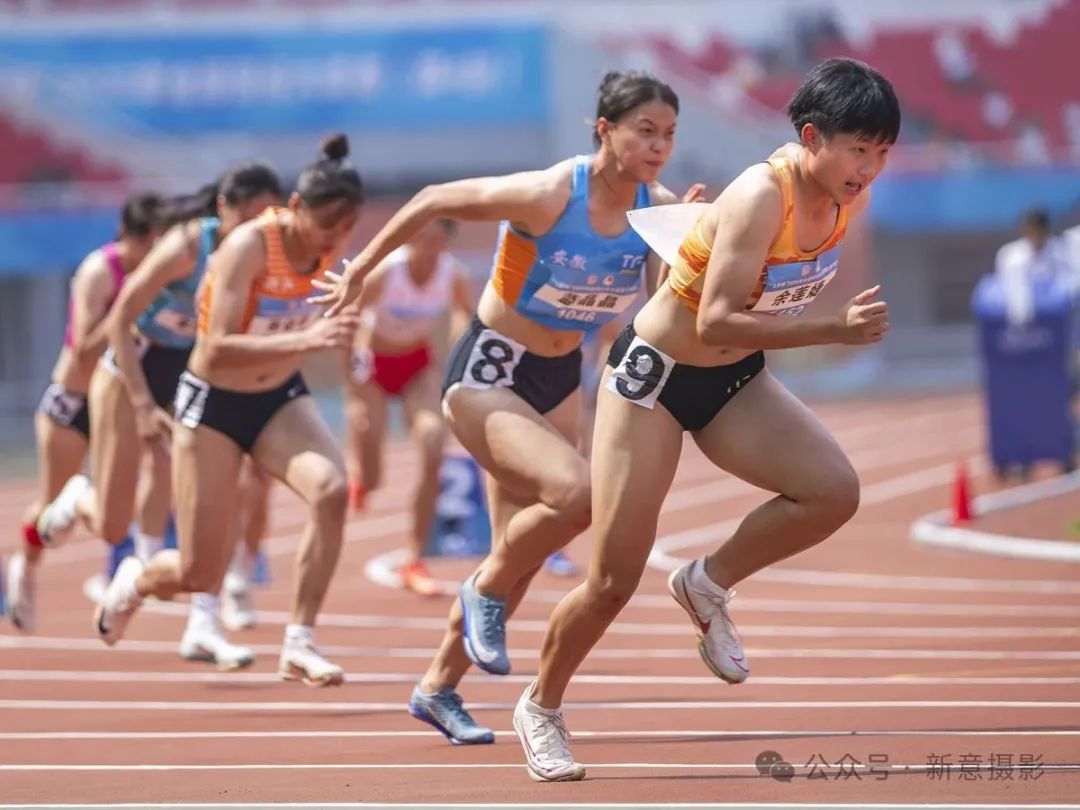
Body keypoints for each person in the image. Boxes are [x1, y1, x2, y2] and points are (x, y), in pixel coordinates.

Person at [514, 57, 901, 782]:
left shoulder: (844, 198)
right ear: (811, 137)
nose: (869, 168)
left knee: (832, 491)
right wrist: (834, 330)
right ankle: (541, 705)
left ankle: (705, 582)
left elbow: (743, 295)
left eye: (881, 152)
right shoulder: (762, 193)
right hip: (653, 381)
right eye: (858, 149)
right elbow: (716, 316)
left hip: (732, 378)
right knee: (612, 581)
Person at [312, 70, 700, 742]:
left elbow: (661, 310)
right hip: (490, 373)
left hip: (559, 380)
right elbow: (433, 199)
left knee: (519, 553)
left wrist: (682, 248)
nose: (659, 147)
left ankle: (438, 687)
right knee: (575, 498)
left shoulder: (656, 210)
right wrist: (362, 269)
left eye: (668, 134)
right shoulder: (549, 193)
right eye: (644, 131)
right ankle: (482, 590)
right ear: (604, 130)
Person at [92, 134, 364, 687]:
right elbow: (214, 347)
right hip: (212, 404)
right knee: (200, 572)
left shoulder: (334, 253)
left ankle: (300, 642)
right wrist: (307, 338)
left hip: (277, 399)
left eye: (346, 226)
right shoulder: (248, 246)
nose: (334, 237)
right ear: (295, 207)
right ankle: (136, 582)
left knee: (331, 491)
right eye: (325, 223)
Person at [36, 165, 283, 669]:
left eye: (267, 218)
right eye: (249, 216)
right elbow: (119, 322)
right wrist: (144, 405)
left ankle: (200, 621)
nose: (257, 228)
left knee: (213, 491)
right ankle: (79, 497)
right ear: (224, 209)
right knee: (111, 523)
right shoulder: (187, 247)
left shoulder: (264, 253)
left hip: (189, 374)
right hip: (131, 369)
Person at [5, 192, 163, 631]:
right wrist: (126, 315)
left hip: (119, 404)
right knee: (50, 504)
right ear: (131, 236)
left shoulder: (161, 276)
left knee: (121, 504)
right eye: (148, 243)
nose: (153, 253)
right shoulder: (100, 271)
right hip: (73, 403)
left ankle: (121, 567)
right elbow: (81, 349)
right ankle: (26, 565)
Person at [343, 218, 475, 596]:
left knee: (433, 443)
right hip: (373, 364)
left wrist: (457, 347)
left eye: (435, 241)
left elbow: (465, 315)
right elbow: (348, 317)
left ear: (445, 243)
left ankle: (415, 558)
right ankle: (361, 473)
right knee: (373, 473)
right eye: (419, 240)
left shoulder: (453, 274)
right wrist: (352, 382)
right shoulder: (387, 272)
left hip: (416, 364)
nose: (426, 249)